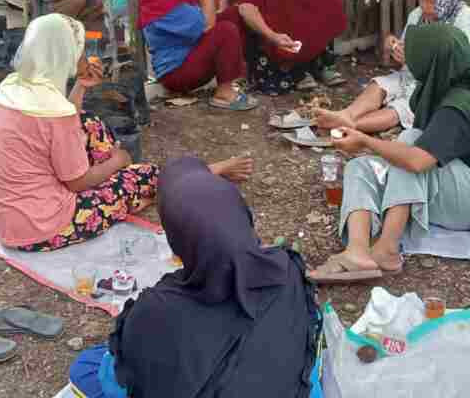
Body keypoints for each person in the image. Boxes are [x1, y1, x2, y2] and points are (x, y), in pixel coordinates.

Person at [0, 14, 252, 251]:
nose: (82, 58)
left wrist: (82, 86)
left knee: (88, 122)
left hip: (1, 216)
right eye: (78, 52)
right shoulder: (53, 113)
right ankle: (204, 173)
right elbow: (77, 183)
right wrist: (117, 161)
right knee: (133, 178)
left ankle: (127, 176)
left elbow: (64, 122)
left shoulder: (13, 86)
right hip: (42, 227)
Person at [93, 156, 319, 398]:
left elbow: (131, 378)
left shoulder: (156, 311)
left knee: (92, 366)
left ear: (176, 241)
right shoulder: (286, 268)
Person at [309, 23, 470, 283]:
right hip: (449, 181)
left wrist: (365, 141)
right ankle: (357, 251)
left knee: (409, 145)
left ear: (433, 60)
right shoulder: (437, 86)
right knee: (359, 167)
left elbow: (417, 161)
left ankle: (387, 250)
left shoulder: (459, 104)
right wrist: (366, 145)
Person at [315, 0, 470, 133]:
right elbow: (406, 53)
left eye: (431, 0)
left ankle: (349, 126)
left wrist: (417, 60)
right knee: (380, 85)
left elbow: (468, 71)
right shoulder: (418, 15)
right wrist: (394, 48)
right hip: (413, 77)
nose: (424, 6)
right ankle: (346, 114)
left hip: (446, 88)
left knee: (403, 107)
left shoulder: (466, 21)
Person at [139, 0, 258, 111]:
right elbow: (208, 25)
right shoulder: (164, 7)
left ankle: (234, 75)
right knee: (225, 31)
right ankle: (224, 93)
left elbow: (202, 20)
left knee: (233, 14)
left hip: (187, 57)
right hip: (177, 74)